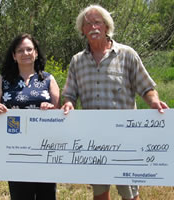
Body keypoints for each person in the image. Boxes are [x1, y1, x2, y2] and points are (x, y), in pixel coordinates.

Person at [61, 4, 168, 200]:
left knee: (129, 192)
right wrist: (68, 103)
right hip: (93, 137)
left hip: (125, 138)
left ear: (106, 27)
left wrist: (154, 102)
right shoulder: (77, 61)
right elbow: (70, 93)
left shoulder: (127, 54)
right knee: (100, 191)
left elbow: (146, 87)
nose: (93, 27)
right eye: (88, 24)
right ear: (82, 30)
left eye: (97, 22)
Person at [0, 33, 60, 200]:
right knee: (21, 195)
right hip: (16, 150)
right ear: (14, 55)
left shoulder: (49, 79)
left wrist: (51, 108)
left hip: (46, 148)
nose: (25, 53)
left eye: (29, 49)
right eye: (20, 50)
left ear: (36, 53)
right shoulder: (3, 80)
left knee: (47, 195)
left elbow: (59, 112)